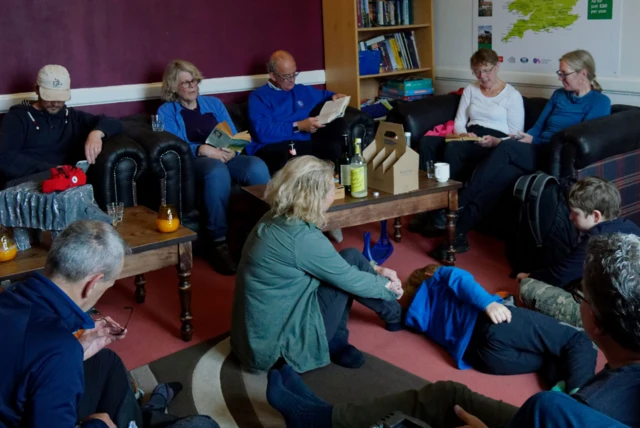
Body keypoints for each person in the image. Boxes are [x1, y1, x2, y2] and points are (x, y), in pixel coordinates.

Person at [266, 233, 640, 427]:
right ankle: (320, 417)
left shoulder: (559, 409)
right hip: (495, 342)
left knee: (570, 342)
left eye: (582, 296)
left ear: (598, 321)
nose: (578, 300)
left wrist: (488, 302)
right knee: (559, 347)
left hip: (484, 348)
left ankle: (319, 418)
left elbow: (455, 276)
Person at [0, 220, 218, 428]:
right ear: (92, 284)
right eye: (108, 285)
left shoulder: (10, 296)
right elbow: (47, 357)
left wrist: (77, 350)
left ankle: (141, 418)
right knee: (204, 424)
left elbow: (24, 361)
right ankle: (148, 415)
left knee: (105, 361)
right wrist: (98, 424)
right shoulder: (59, 352)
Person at [429, 50, 611, 259]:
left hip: (554, 157)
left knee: (505, 149)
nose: (560, 78)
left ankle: (459, 201)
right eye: (559, 73)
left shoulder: (600, 102)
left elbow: (579, 139)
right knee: (500, 177)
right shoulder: (559, 95)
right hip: (535, 148)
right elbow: (539, 125)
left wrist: (533, 140)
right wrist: (526, 137)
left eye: (564, 74)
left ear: (583, 73)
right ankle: (457, 235)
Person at [231, 156, 403, 374]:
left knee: (349, 257)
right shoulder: (301, 238)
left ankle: (387, 318)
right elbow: (348, 278)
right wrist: (389, 288)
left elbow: (326, 262)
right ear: (315, 196)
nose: (335, 192)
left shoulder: (276, 216)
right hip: (277, 352)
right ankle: (390, 316)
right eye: (332, 187)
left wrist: (377, 269)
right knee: (348, 270)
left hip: (256, 340)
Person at [405, 265, 596, 393]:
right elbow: (459, 277)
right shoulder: (435, 280)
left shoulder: (416, 318)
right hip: (492, 324)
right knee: (578, 340)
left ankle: (561, 394)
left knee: (551, 355)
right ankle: (584, 402)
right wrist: (488, 303)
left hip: (484, 359)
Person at [157, 59, 270, 275]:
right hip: (197, 162)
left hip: (225, 155)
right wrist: (200, 149)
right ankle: (218, 242)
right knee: (216, 172)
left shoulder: (214, 104)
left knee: (256, 166)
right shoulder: (166, 111)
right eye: (186, 83)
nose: (192, 87)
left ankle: (262, 232)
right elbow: (173, 144)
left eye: (195, 81)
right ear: (172, 86)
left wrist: (233, 150)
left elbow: (235, 136)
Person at [518, 177, 640, 327]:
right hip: (632, 303)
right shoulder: (631, 226)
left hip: (613, 319)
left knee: (526, 286)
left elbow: (560, 275)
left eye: (575, 213)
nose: (570, 217)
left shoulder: (595, 241)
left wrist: (530, 275)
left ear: (595, 216)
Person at [0, 65, 122, 187]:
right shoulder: (18, 118)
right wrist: (52, 169)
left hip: (64, 182)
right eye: (49, 98)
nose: (55, 103)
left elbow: (114, 122)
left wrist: (97, 133)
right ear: (36, 89)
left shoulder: (71, 116)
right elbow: (4, 158)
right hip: (27, 182)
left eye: (60, 98)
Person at [246, 50, 348, 174]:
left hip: (304, 143)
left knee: (334, 148)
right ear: (273, 76)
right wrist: (299, 126)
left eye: (294, 74)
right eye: (287, 76)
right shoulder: (259, 97)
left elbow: (326, 95)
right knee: (295, 155)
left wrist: (335, 97)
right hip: (273, 145)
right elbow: (263, 133)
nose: (292, 80)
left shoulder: (301, 90)